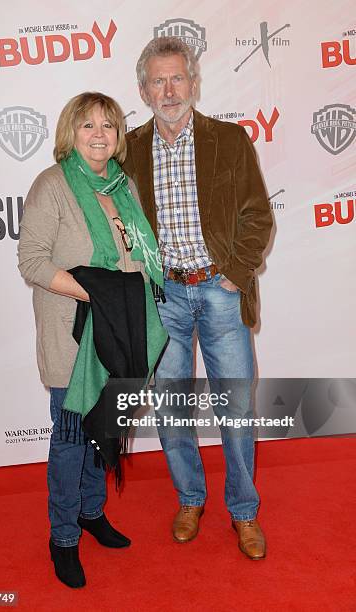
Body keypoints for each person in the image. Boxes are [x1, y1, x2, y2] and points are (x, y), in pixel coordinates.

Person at [123, 37, 273, 559]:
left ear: (194, 82)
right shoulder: (130, 148)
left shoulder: (228, 140)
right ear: (143, 90)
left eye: (177, 78)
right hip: (164, 296)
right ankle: (190, 498)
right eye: (158, 81)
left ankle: (244, 513)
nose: (169, 90)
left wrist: (234, 272)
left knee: (235, 406)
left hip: (219, 290)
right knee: (171, 407)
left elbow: (258, 214)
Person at [18, 92, 166, 588]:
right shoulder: (53, 185)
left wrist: (124, 300)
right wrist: (98, 293)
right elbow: (33, 262)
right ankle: (63, 538)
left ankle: (91, 513)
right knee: (70, 440)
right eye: (87, 125)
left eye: (108, 124)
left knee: (103, 429)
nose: (99, 134)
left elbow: (138, 257)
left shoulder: (125, 188)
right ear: (69, 132)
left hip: (120, 335)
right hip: (72, 336)